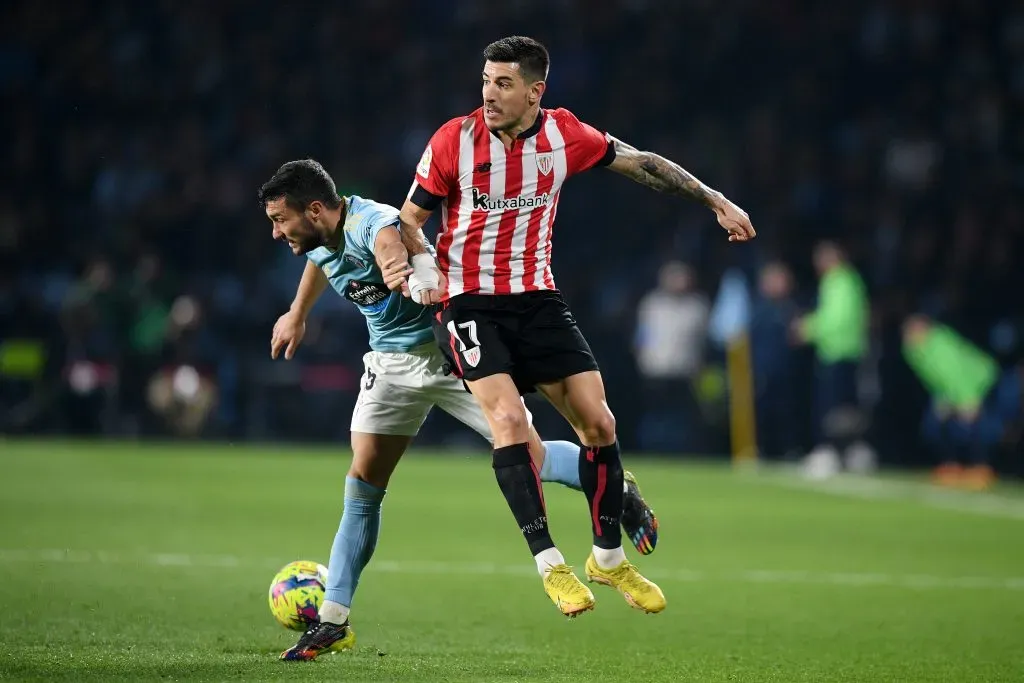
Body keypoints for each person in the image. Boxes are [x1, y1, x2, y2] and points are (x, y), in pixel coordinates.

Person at [395, 36, 755, 618]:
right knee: (510, 421)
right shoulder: (454, 141)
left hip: (537, 299)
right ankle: (550, 564)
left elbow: (644, 165)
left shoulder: (565, 136)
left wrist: (714, 200)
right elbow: (409, 219)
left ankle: (607, 560)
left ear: (536, 91)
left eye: (503, 83)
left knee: (599, 421)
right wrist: (420, 267)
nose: (489, 93)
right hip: (468, 303)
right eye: (486, 80)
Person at [256, 160, 660, 660]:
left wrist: (398, 268)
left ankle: (614, 486)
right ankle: (333, 620)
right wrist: (297, 314)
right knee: (362, 484)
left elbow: (389, 241)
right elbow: (321, 260)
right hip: (390, 365)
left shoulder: (370, 222)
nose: (276, 232)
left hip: (448, 356)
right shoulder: (322, 237)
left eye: (280, 219)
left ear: (314, 209)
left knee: (526, 458)